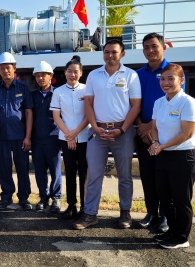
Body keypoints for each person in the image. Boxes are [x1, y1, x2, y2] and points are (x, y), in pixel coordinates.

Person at [73, 40, 141, 230]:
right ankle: (90, 214)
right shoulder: (94, 75)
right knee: (93, 175)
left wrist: (121, 130)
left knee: (125, 175)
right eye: (106, 52)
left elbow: (135, 106)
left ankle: (125, 212)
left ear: (122, 54)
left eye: (114, 52)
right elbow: (88, 103)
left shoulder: (131, 76)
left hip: (123, 132)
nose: (110, 55)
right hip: (98, 133)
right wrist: (94, 127)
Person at [148, 64, 195, 249]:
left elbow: (187, 134)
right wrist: (155, 142)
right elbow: (154, 127)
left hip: (182, 156)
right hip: (163, 154)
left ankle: (182, 237)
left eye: (171, 79)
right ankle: (172, 231)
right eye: (163, 79)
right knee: (164, 196)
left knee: (181, 199)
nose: (165, 83)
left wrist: (162, 146)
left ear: (181, 81)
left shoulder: (188, 102)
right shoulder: (159, 102)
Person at [135, 33, 173, 232]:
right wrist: (141, 127)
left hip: (164, 136)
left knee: (164, 177)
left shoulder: (172, 71)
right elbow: (133, 103)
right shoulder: (138, 74)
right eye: (146, 47)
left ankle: (166, 215)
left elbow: (171, 100)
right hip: (143, 135)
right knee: (147, 175)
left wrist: (150, 126)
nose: (150, 50)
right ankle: (151, 213)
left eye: (154, 46)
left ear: (163, 47)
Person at [0, 52, 33, 211]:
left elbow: (28, 112)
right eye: (2, 68)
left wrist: (28, 136)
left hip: (20, 136)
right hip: (2, 137)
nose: (5, 71)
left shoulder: (23, 87)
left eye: (8, 68)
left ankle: (24, 198)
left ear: (14, 69)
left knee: (22, 167)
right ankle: (6, 197)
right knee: (4, 168)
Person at [50, 55, 89, 219]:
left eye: (75, 72)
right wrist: (69, 136)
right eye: (69, 71)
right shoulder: (58, 92)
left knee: (84, 173)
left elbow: (89, 115)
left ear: (80, 73)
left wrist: (75, 133)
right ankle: (71, 205)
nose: (72, 75)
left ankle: (85, 207)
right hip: (66, 138)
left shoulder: (87, 89)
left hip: (85, 137)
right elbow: (56, 116)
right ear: (65, 73)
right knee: (70, 172)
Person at [30, 61, 62, 213]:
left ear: (51, 76)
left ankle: (56, 197)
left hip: (53, 138)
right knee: (40, 170)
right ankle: (43, 196)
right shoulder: (32, 95)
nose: (40, 78)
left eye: (44, 75)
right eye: (37, 76)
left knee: (55, 170)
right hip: (37, 139)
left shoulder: (58, 94)